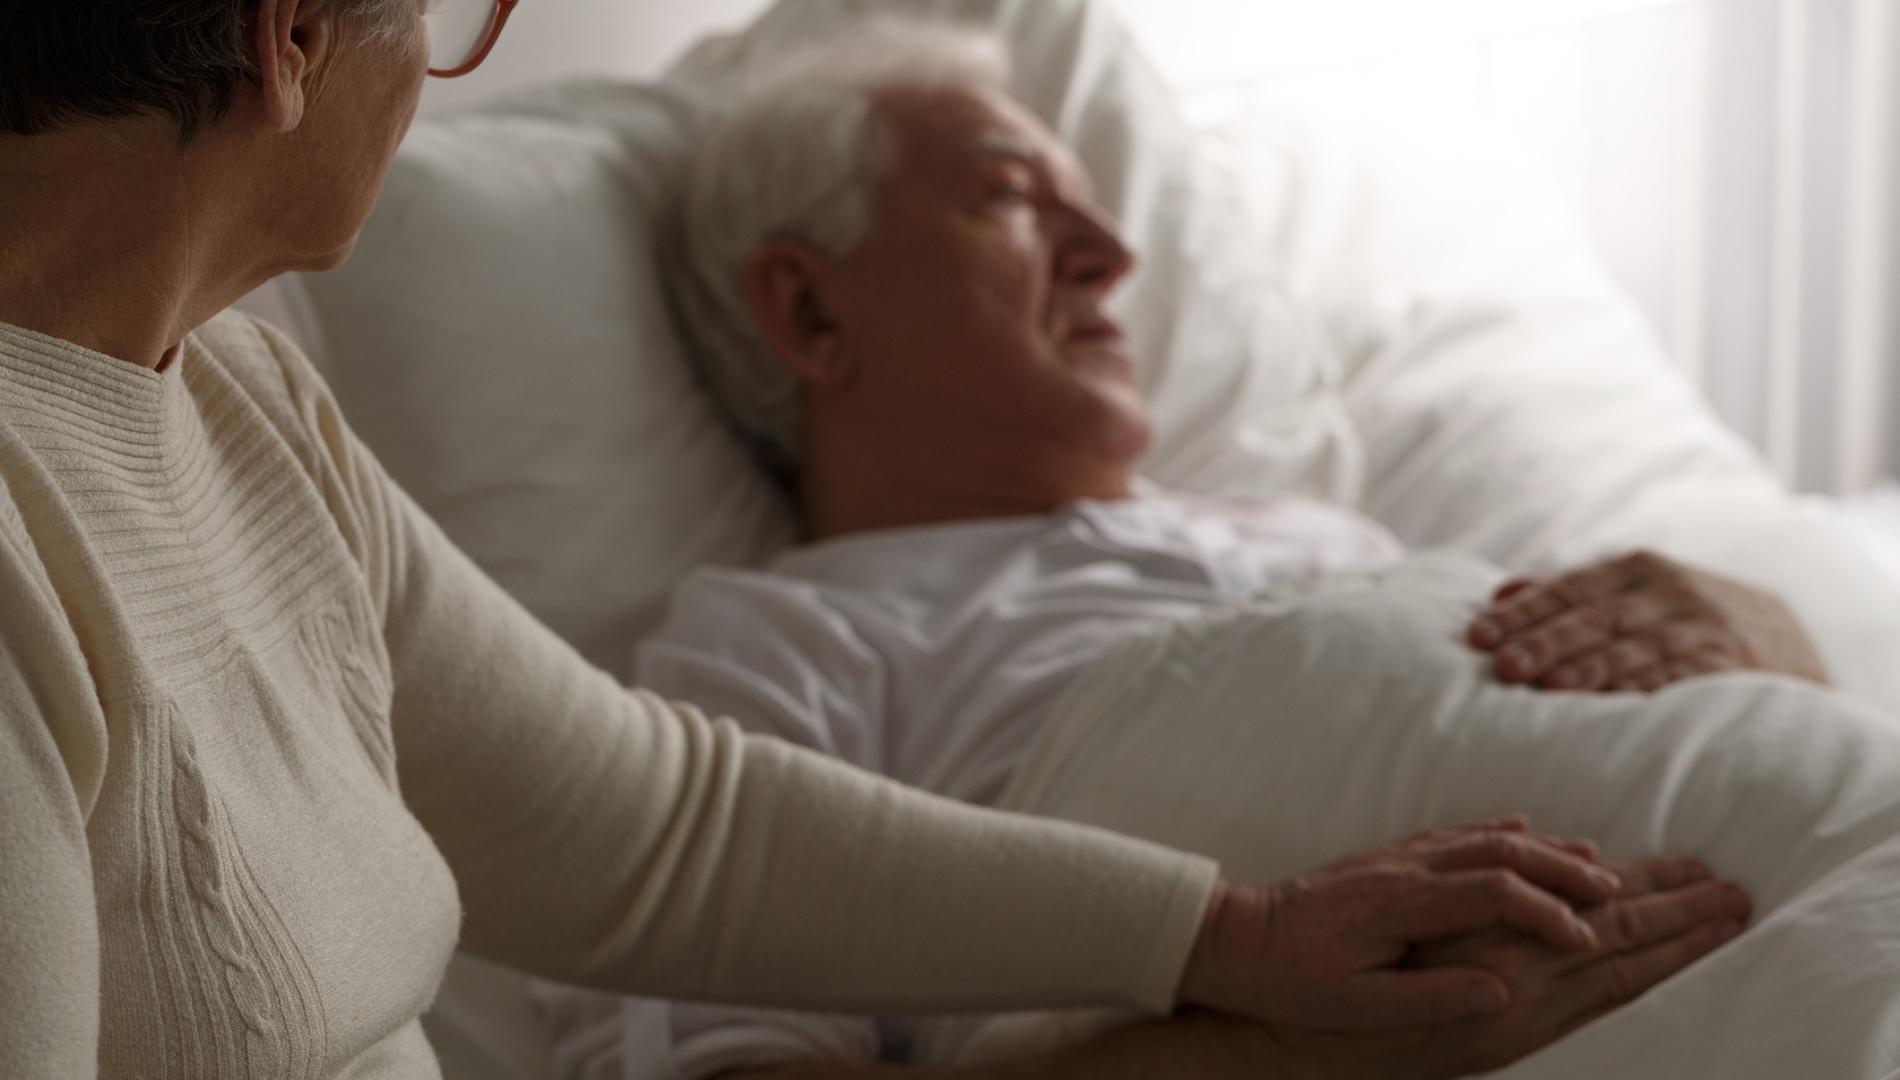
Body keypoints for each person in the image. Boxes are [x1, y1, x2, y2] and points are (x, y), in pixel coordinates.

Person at [0, 3, 1716, 1078]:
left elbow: (670, 834)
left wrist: (1233, 935)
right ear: (290, 36)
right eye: (456, 14)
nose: (455, 55)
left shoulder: (229, 398)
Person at [529, 21, 1773, 1079]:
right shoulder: (777, 649)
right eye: (1013, 197)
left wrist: (1748, 624)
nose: (1113, 258)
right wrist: (1268, 1054)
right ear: (808, 308)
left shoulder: (1327, 538)